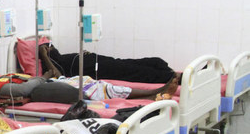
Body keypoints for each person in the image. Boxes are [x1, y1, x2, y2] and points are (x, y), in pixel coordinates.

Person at [0, 69, 177, 103]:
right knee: (102, 90)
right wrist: (43, 75)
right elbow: (23, 90)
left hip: (51, 82)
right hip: (45, 87)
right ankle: (153, 94)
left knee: (98, 83)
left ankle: (154, 93)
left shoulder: (2, 76)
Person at [39, 42, 178, 84]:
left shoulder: (58, 56)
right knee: (131, 71)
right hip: (94, 70)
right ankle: (172, 78)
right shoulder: (50, 65)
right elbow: (57, 76)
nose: (49, 47)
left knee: (149, 62)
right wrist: (44, 55)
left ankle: (167, 70)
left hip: (94, 60)